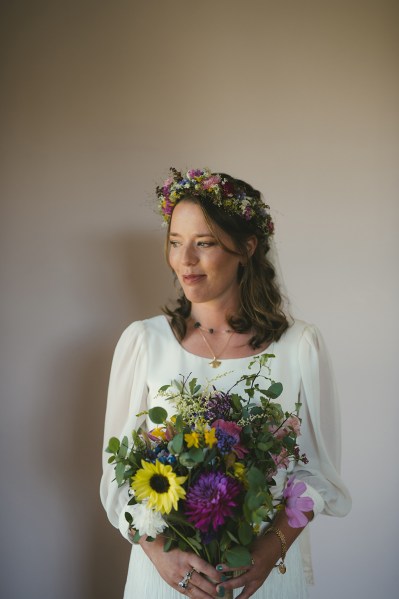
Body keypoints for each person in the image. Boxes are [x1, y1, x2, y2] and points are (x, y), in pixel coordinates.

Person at [100, 168, 351, 599]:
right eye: (176, 242)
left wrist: (267, 555)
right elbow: (116, 478)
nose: (185, 260)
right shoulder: (143, 342)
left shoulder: (299, 347)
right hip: (165, 580)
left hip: (265, 579)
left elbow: (316, 477)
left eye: (205, 243)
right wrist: (160, 553)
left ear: (246, 248)